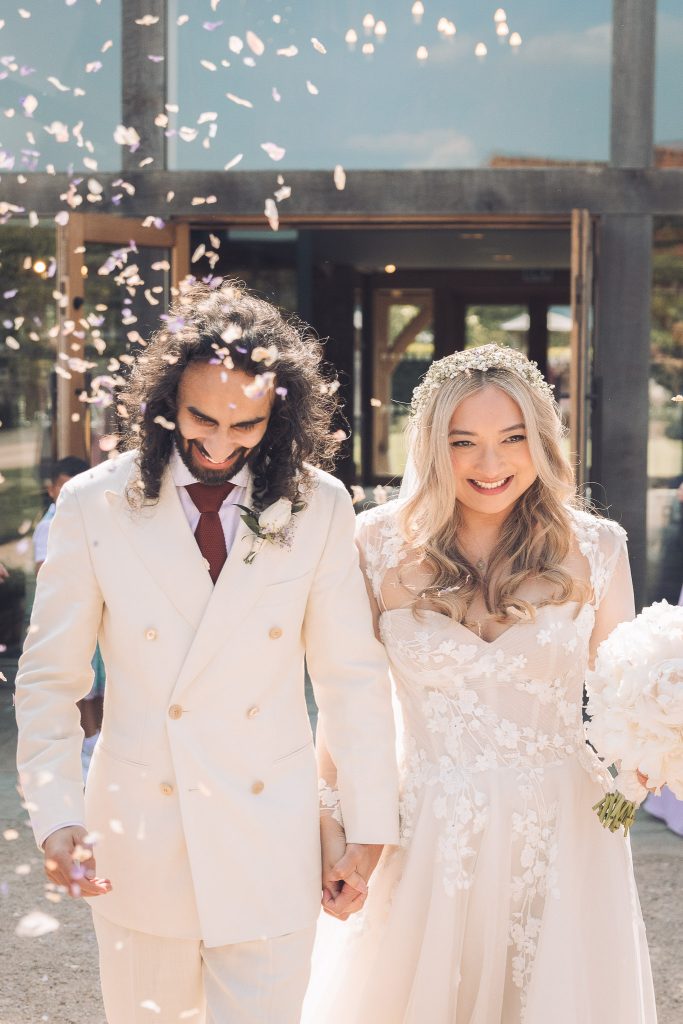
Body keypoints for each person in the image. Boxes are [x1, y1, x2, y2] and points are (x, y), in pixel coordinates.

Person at [15, 280, 399, 1024]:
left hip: (271, 837)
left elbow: (351, 679)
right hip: (139, 837)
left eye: (245, 424)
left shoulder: (319, 505)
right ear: (164, 401)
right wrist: (55, 815)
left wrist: (369, 828)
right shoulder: (94, 505)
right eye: (201, 418)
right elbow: (49, 681)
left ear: (278, 414)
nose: (221, 442)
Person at [306, 345, 656, 1023]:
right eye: (463, 442)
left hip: (565, 836)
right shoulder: (371, 545)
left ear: (540, 441)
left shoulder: (597, 547)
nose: (489, 465)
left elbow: (634, 711)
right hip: (424, 829)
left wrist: (613, 815)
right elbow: (348, 706)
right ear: (432, 446)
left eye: (511, 439)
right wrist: (332, 827)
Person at [33, 456, 105, 778]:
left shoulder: (97, 519)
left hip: (96, 612)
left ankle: (97, 742)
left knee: (100, 681)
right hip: (69, 614)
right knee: (79, 683)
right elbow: (45, 578)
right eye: (63, 484)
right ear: (51, 489)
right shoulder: (47, 526)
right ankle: (87, 745)